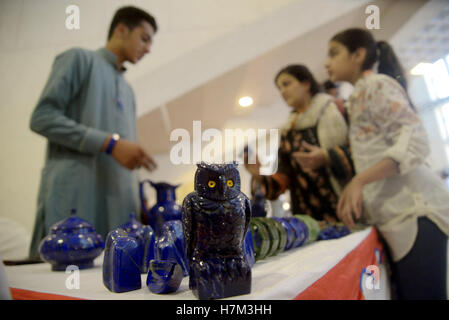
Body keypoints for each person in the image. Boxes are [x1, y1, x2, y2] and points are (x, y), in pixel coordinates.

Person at [325, 27, 449, 299]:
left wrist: (360, 180)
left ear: (358, 55)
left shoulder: (377, 85)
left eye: (334, 53)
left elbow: (415, 142)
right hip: (395, 218)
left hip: (416, 213)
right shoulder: (358, 95)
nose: (326, 62)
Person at [28, 6, 158, 260]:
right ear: (121, 30)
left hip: (118, 212)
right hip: (75, 203)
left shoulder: (128, 91)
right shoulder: (79, 60)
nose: (148, 49)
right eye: (144, 38)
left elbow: (122, 151)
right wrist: (109, 144)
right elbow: (42, 118)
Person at [245, 65, 353, 223]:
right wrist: (259, 176)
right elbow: (285, 176)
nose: (282, 91)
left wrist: (327, 156)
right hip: (309, 220)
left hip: (346, 206)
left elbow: (359, 152)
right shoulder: (288, 131)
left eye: (286, 84)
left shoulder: (337, 109)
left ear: (306, 83)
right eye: (279, 88)